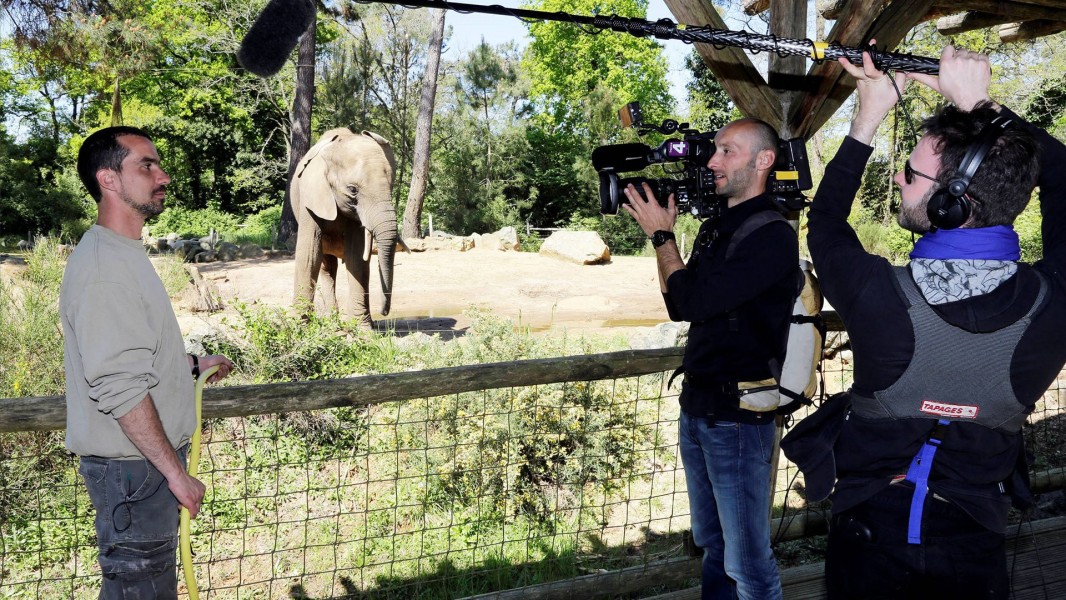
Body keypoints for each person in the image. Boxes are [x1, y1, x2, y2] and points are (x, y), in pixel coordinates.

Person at [805, 45, 1066, 598]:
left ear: (951, 203)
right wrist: (981, 105)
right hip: (975, 547)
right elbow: (1064, 173)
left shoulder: (878, 293)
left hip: (867, 543)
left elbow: (824, 221)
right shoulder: (1052, 305)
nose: (900, 181)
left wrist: (868, 114)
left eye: (910, 173)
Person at [624, 117, 794, 600]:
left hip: (737, 418)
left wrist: (662, 238)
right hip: (698, 408)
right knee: (713, 544)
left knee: (749, 563)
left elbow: (694, 302)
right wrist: (665, 239)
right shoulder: (720, 226)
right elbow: (680, 304)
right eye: (714, 150)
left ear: (764, 161)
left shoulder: (771, 234)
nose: (712, 161)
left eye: (728, 152)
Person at [61, 126, 234, 599]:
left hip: (140, 466)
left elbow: (130, 353)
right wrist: (176, 475)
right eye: (146, 165)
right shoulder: (104, 271)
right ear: (108, 180)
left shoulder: (121, 253)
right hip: (136, 471)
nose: (164, 176)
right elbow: (118, 385)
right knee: (142, 592)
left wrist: (189, 367)